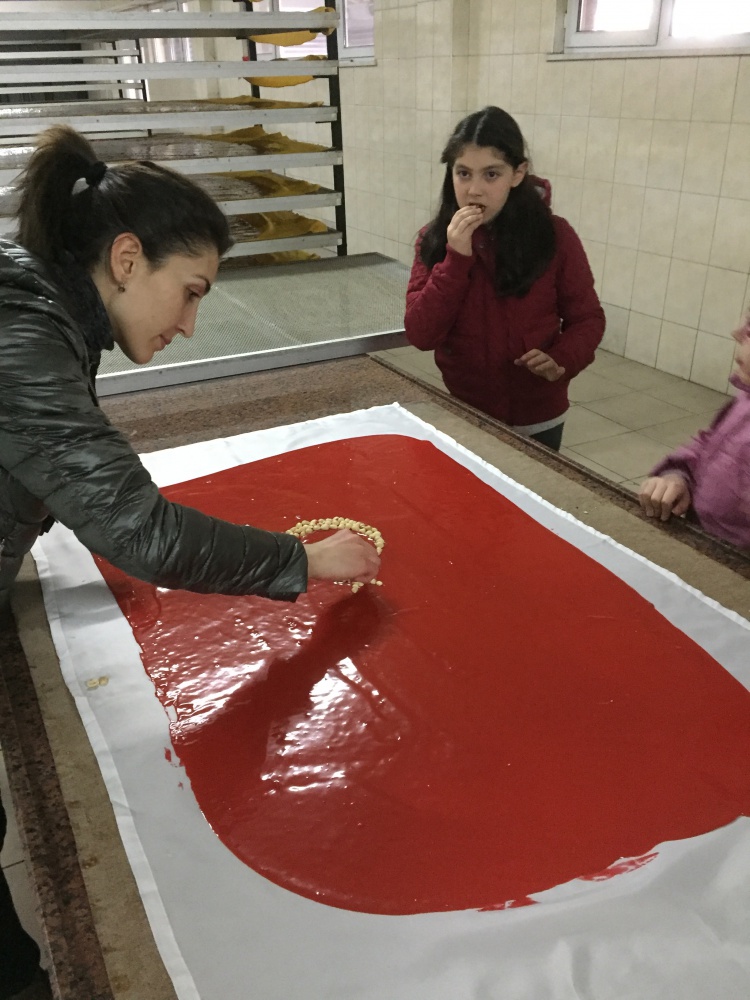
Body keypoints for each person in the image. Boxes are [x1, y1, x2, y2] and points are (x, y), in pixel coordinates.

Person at [0, 125, 380, 998]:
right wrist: (304, 560)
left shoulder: (37, 307)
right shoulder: (24, 336)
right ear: (127, 258)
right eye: (190, 292)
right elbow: (145, 533)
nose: (191, 324)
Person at [404, 106, 605, 451]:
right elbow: (421, 333)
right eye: (463, 174)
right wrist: (456, 258)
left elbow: (587, 319)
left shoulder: (554, 236)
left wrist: (563, 358)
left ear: (518, 173)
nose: (474, 190)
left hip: (538, 414)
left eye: (491, 175)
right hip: (465, 409)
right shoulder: (435, 238)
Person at [638, 313, 750, 549]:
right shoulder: (744, 400)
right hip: (702, 541)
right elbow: (709, 446)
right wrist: (679, 477)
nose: (738, 333)